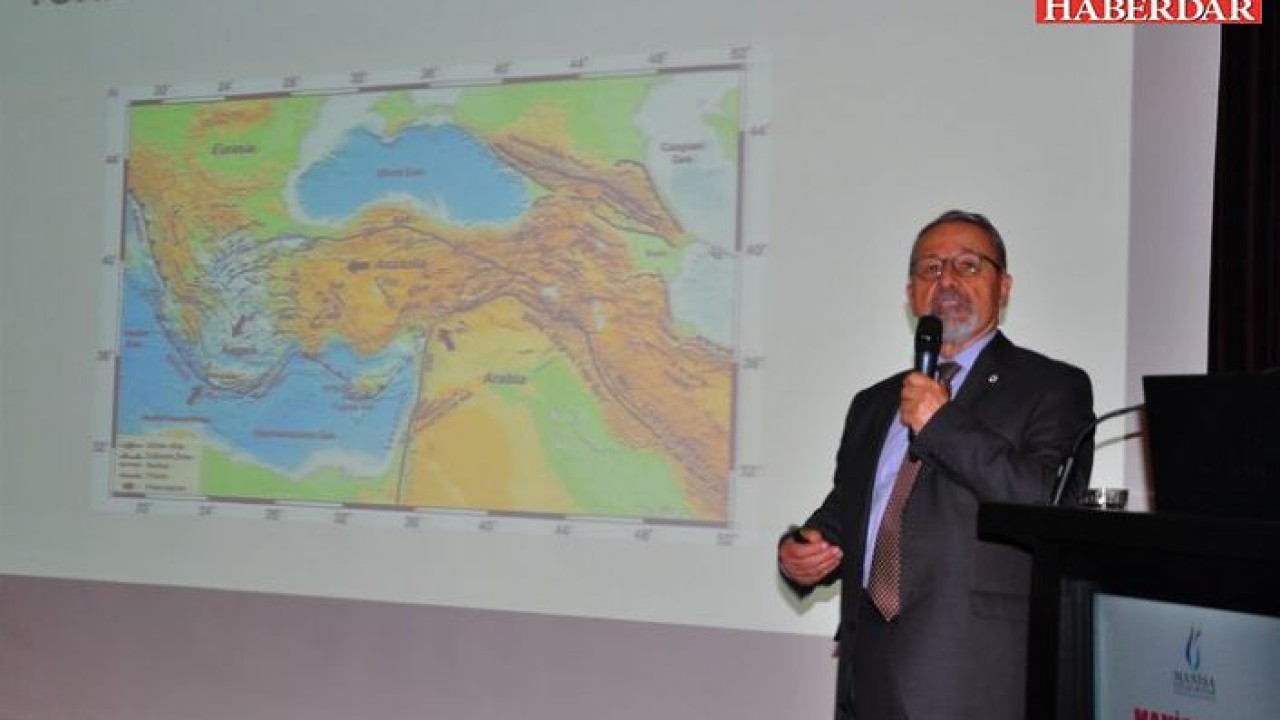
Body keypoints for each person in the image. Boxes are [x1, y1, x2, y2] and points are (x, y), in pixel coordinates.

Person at [778, 209, 1094, 720]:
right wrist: (800, 551)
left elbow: (1049, 502)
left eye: (968, 265)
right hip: (868, 675)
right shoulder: (874, 403)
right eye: (930, 268)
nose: (946, 280)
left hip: (974, 679)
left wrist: (941, 423)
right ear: (911, 293)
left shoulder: (1052, 386)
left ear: (1004, 286)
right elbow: (849, 509)